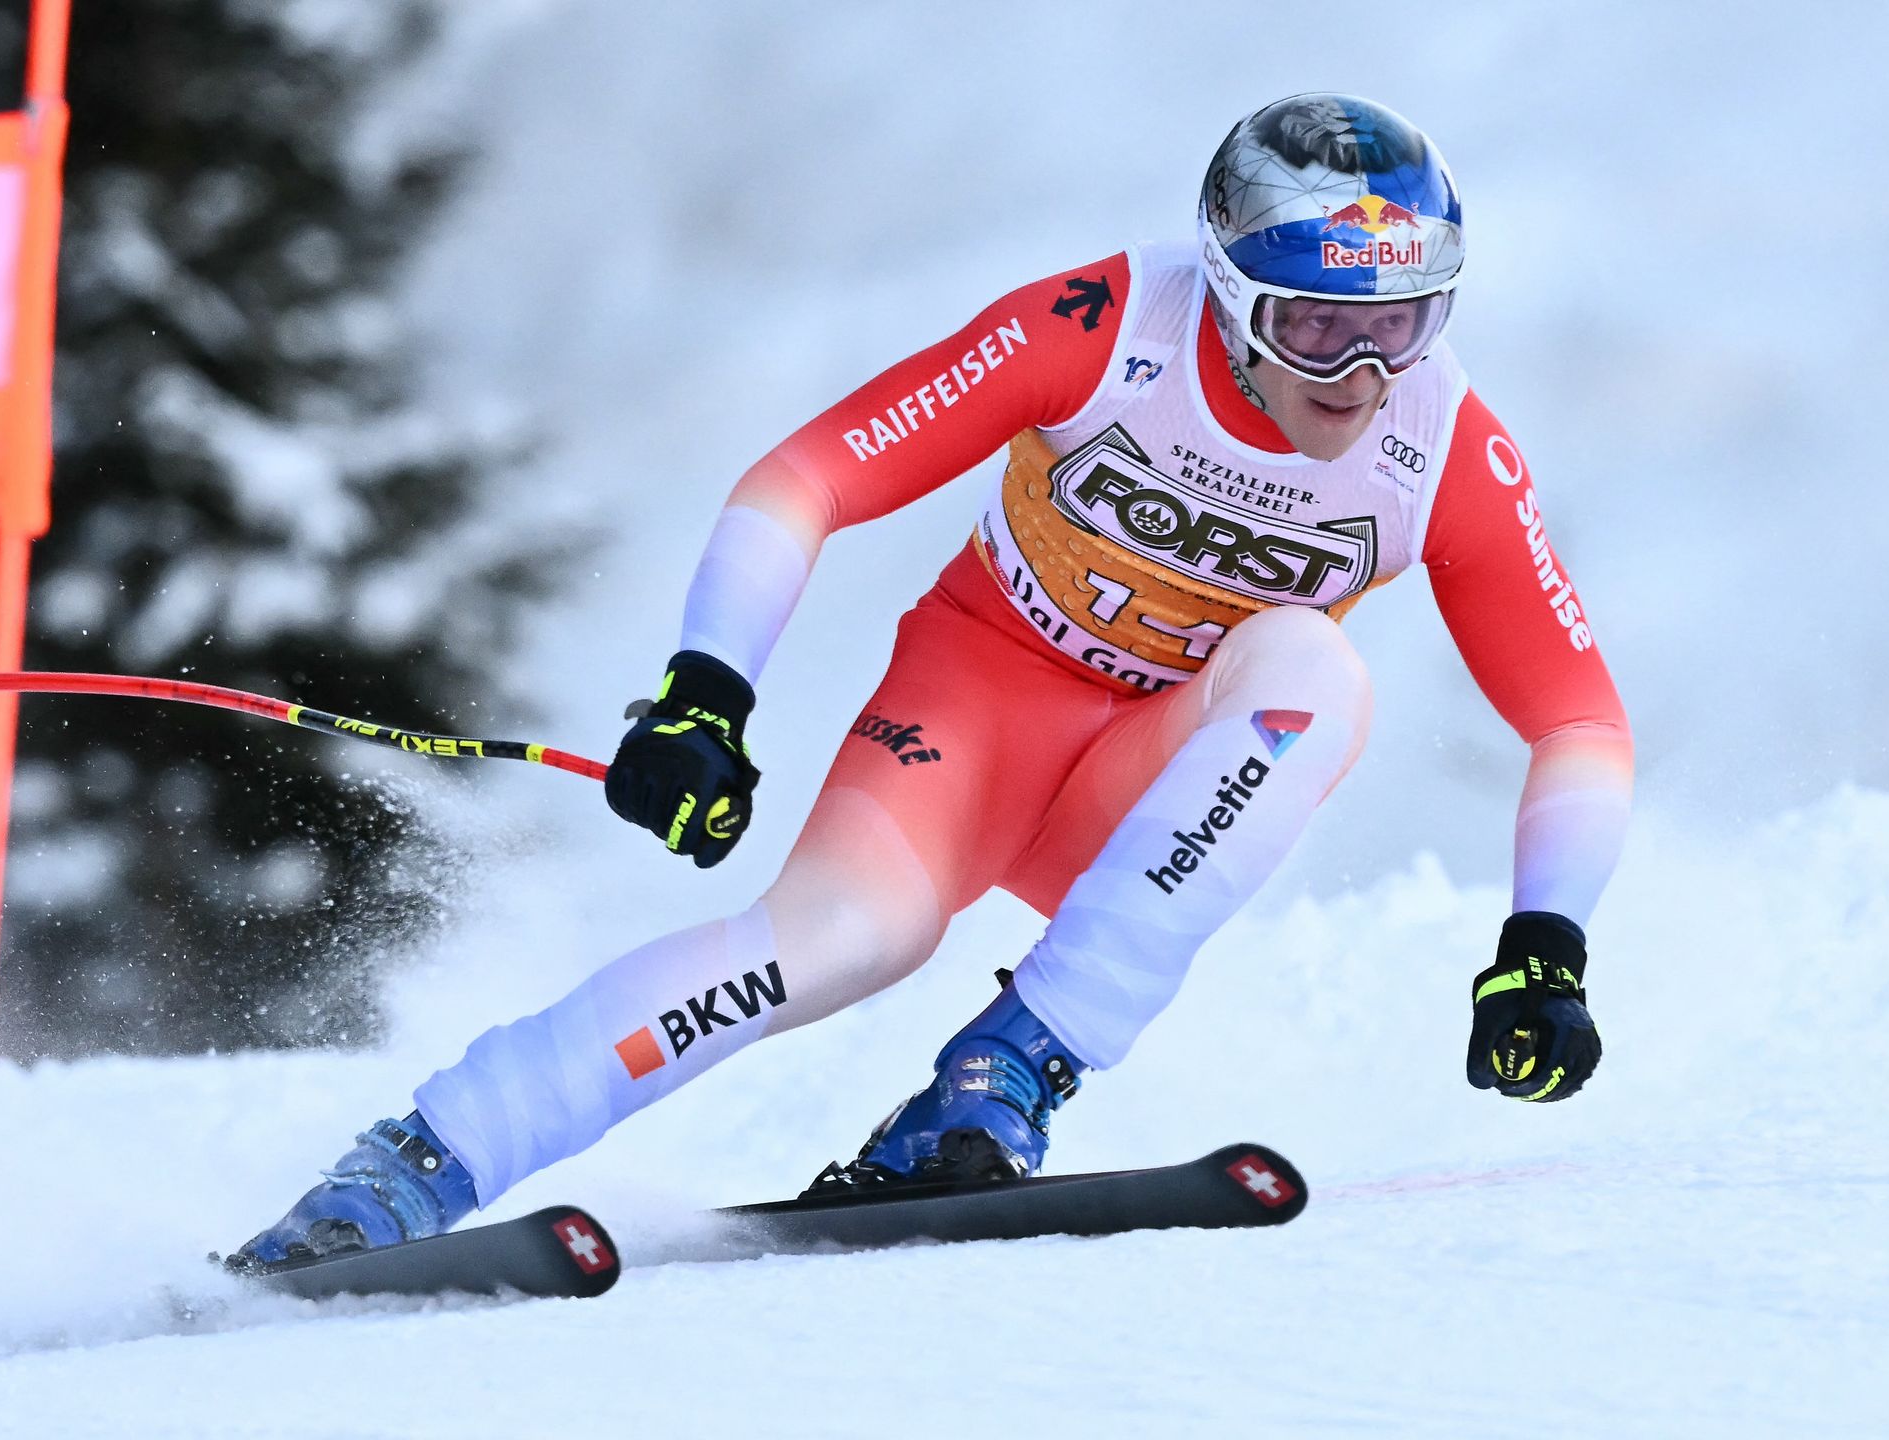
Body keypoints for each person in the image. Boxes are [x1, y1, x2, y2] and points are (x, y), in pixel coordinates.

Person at [232, 92, 1633, 1266]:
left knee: (1313, 674)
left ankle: (1003, 1074)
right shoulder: (1108, 325)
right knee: (834, 943)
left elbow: (1578, 719)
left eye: (1407, 320)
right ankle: (412, 1168)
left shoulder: (1441, 443)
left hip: (1145, 790)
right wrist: (706, 690)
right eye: (1316, 327)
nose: (1366, 372)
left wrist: (1546, 946)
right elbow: (804, 479)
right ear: (1226, 290)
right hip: (973, 716)